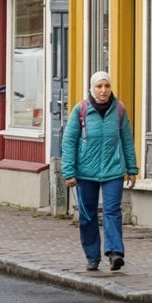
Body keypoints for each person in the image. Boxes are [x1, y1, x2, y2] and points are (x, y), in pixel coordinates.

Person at [61, 71, 138, 272]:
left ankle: (115, 254)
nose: (103, 90)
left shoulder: (119, 110)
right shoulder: (81, 111)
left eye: (107, 86)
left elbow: (127, 141)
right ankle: (92, 256)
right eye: (99, 86)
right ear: (92, 88)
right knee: (88, 216)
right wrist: (69, 172)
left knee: (112, 211)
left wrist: (132, 169)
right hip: (86, 172)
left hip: (113, 170)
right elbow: (69, 142)